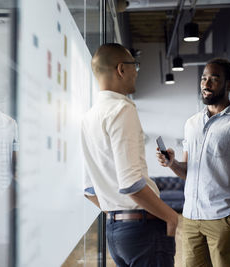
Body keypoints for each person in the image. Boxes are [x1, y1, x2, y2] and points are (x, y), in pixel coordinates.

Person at [157, 58, 230, 267]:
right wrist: (172, 163)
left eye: (214, 79)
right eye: (204, 78)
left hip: (223, 219)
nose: (206, 84)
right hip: (191, 218)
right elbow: (188, 172)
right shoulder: (192, 123)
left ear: (229, 84)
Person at [81, 43, 179, 267]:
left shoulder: (88, 117)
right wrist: (171, 216)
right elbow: (131, 183)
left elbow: (88, 189)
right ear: (121, 69)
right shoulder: (122, 109)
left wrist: (117, 214)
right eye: (134, 65)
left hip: (116, 233)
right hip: (143, 230)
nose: (136, 72)